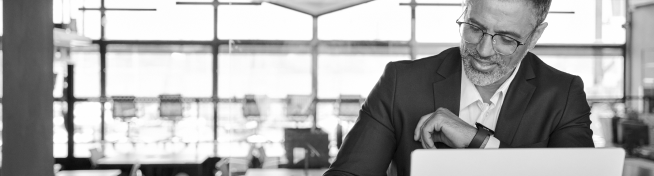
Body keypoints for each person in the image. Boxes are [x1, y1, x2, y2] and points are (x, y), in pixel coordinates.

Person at [323, 0, 594, 175]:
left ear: (535, 36)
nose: (484, 50)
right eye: (475, 28)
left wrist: (480, 142)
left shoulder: (563, 94)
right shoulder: (401, 82)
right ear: (465, 10)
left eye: (507, 39)